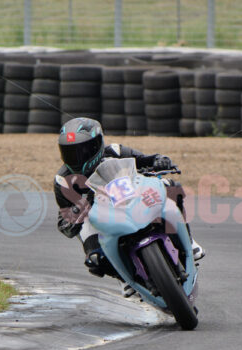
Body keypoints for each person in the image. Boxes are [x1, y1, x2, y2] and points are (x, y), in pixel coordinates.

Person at [54, 117, 204, 297]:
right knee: (95, 260)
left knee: (170, 185)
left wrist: (160, 160)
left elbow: (145, 159)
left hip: (129, 195)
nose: (77, 157)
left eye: (83, 150)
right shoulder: (63, 181)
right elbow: (65, 224)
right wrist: (80, 208)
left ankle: (189, 239)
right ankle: (124, 277)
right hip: (97, 216)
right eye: (70, 152)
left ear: (98, 144)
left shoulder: (115, 151)